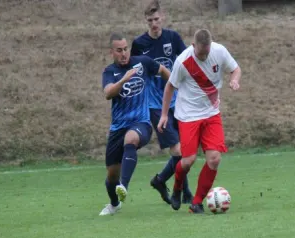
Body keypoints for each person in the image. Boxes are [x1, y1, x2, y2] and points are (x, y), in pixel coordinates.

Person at [158, 29, 242, 214]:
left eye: (207, 53)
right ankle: (178, 187)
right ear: (193, 46)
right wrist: (164, 115)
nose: (204, 57)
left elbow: (235, 69)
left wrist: (234, 80)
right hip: (188, 115)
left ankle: (196, 203)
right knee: (188, 160)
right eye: (200, 53)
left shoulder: (219, 51)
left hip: (211, 114)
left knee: (214, 159)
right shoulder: (183, 61)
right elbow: (170, 86)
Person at [99, 32, 170, 216]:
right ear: (111, 52)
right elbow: (108, 93)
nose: (124, 53)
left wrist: (175, 85)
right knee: (111, 176)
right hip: (117, 128)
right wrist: (123, 79)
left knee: (130, 139)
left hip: (141, 123)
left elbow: (162, 70)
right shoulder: (109, 72)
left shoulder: (143, 63)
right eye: (119, 50)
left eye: (125, 49)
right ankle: (115, 204)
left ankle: (124, 186)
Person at [131, 0, 193, 206]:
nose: (154, 24)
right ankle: (174, 187)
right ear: (146, 21)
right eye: (150, 21)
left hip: (179, 102)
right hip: (155, 106)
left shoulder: (173, 38)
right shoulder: (139, 44)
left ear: (163, 17)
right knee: (178, 151)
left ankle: (173, 187)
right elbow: (134, 74)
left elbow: (186, 62)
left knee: (185, 150)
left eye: (156, 19)